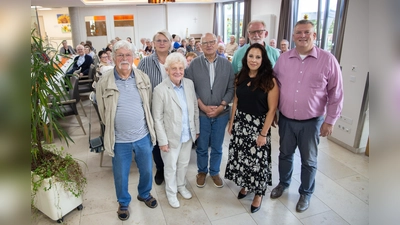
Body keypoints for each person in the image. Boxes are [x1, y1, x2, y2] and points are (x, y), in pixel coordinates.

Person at [270, 20, 343, 213]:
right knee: (285, 155)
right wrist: (275, 112)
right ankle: (283, 183)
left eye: (307, 32)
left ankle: (305, 193)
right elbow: (274, 87)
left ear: (314, 35)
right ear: (293, 36)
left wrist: (330, 120)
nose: (302, 36)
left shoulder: (328, 60)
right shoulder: (284, 59)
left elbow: (336, 92)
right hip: (286, 119)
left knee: (308, 160)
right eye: (298, 33)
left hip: (312, 122)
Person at [95, 40, 158, 221]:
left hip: (143, 135)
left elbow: (149, 104)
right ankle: (123, 202)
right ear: (114, 58)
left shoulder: (143, 78)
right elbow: (102, 110)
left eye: (128, 55)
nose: (124, 58)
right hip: (119, 139)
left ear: (133, 57)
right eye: (120, 55)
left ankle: (144, 194)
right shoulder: (104, 82)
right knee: (120, 174)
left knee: (146, 169)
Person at [224, 43, 279, 213]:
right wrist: (232, 122)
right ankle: (247, 185)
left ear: (263, 60)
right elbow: (236, 101)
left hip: (258, 126)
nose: (253, 60)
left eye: (257, 57)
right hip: (241, 123)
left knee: (257, 162)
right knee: (243, 158)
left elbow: (271, 110)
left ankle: (259, 193)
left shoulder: (270, 80)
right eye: (250, 56)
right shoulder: (240, 76)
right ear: (245, 58)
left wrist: (263, 133)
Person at [185, 33, 234, 189]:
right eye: (205, 43)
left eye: (212, 42)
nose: (209, 45)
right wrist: (202, 106)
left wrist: (222, 106)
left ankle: (214, 172)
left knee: (218, 146)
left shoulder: (227, 64)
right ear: (200, 45)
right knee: (202, 146)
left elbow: (231, 88)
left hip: (222, 114)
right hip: (201, 113)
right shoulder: (194, 64)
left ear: (217, 43)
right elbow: (190, 87)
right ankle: (201, 172)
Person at [152, 52, 200, 208]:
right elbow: (157, 118)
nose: (178, 71)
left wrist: (196, 129)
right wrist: (162, 141)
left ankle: (181, 186)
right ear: (167, 70)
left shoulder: (189, 84)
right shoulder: (160, 89)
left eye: (181, 68)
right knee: (171, 166)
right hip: (170, 137)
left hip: (187, 133)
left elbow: (194, 108)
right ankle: (171, 193)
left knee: (183, 163)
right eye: (174, 68)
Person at [138, 30, 173, 186]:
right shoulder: (145, 63)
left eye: (165, 40)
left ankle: (172, 168)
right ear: (153, 43)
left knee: (173, 138)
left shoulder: (176, 59)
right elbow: (137, 84)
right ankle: (160, 168)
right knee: (158, 140)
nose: (161, 43)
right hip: (154, 108)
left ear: (170, 43)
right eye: (158, 40)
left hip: (174, 107)